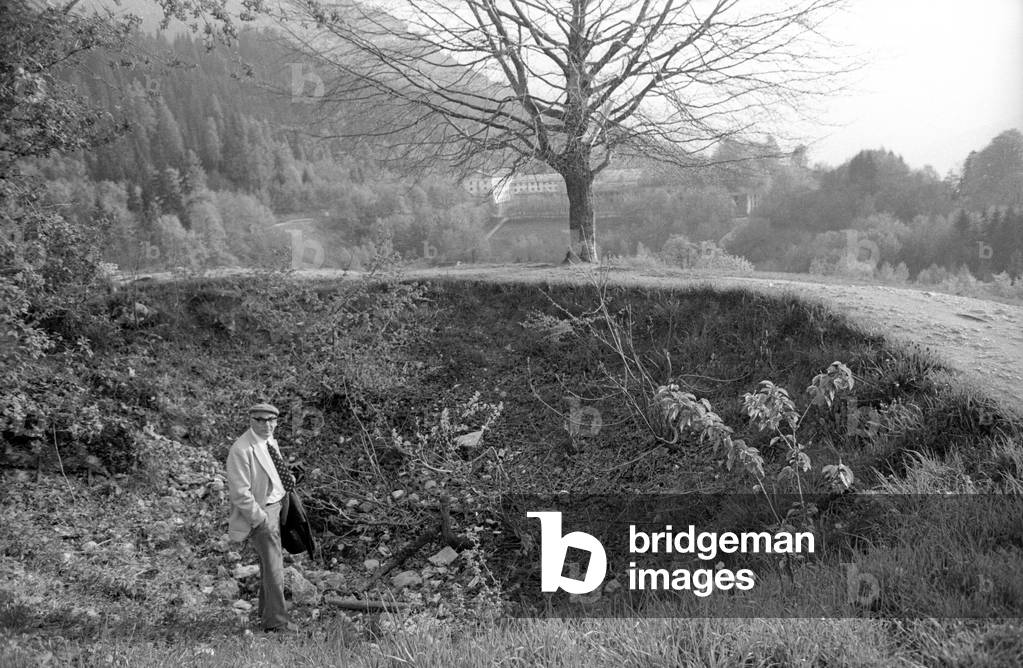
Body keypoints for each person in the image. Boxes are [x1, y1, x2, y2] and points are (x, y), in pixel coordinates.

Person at [226, 403, 298, 633]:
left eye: (271, 420)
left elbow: (270, 471)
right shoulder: (241, 449)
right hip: (263, 512)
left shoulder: (269, 440)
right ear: (251, 420)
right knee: (275, 567)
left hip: (279, 504)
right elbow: (239, 492)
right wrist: (260, 518)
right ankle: (277, 623)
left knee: (270, 566)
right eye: (260, 420)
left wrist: (288, 481)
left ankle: (266, 615)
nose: (266, 425)